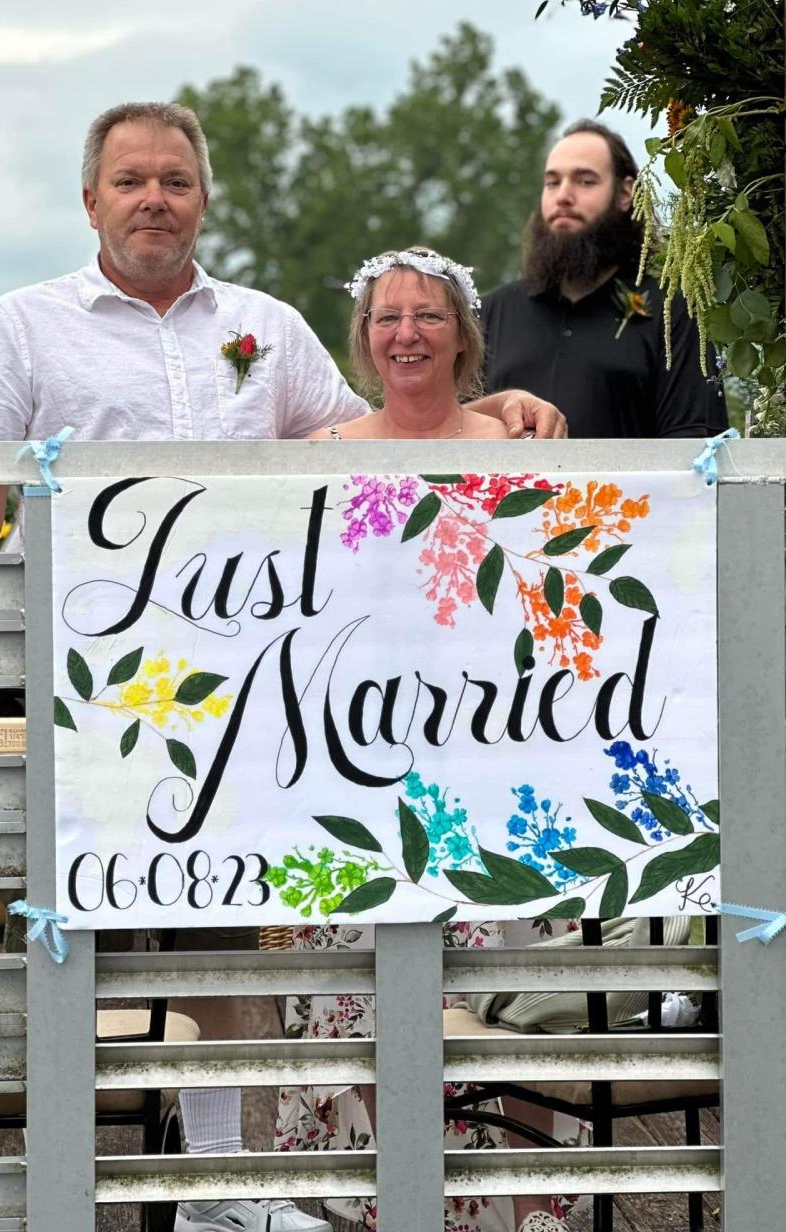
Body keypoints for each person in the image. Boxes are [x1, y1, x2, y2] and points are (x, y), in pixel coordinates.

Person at [0, 101, 567, 1232]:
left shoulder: (269, 329)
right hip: (87, 694)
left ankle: (227, 1188)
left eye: (175, 181)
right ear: (90, 199)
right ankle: (65, 1193)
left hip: (246, 697)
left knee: (226, 922)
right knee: (84, 939)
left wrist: (497, 408)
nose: (154, 201)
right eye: (130, 181)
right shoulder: (23, 325)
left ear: (204, 198)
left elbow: (386, 442)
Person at [279, 246, 583, 1232]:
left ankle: (504, 1208)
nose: (406, 332)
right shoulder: (320, 454)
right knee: (357, 995)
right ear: (364, 341)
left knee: (490, 999)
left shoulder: (523, 452)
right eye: (386, 317)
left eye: (428, 315)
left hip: (491, 773)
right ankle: (365, 1202)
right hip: (356, 778)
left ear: (465, 334)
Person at [481, 118, 728, 439]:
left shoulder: (671, 314)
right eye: (552, 183)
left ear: (625, 194)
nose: (563, 196)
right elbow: (445, 431)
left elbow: (695, 451)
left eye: (585, 181)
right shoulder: (490, 313)